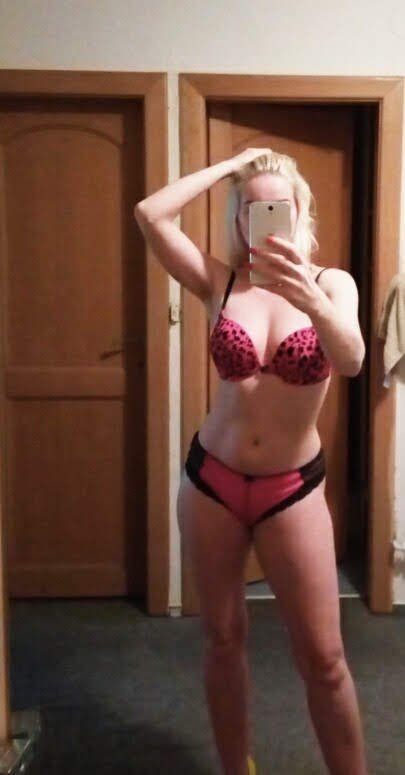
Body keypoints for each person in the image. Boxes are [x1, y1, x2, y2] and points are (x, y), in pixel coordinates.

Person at [134, 148, 368, 775]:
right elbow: (150, 214)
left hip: (292, 489)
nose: (263, 220)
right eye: (251, 209)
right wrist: (232, 165)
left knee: (324, 659)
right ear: (239, 218)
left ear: (300, 213)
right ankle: (237, 767)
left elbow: (350, 359)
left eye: (277, 207)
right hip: (212, 481)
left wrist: (311, 301)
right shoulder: (220, 281)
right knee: (221, 640)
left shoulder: (332, 284)